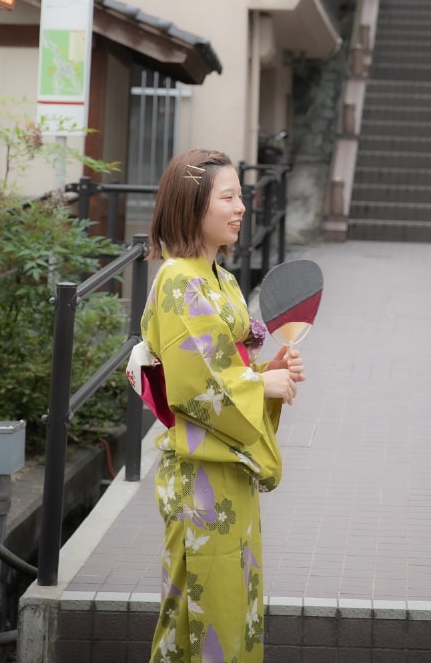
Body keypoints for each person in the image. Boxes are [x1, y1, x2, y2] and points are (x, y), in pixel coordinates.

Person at [141, 148, 304, 663]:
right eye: (228, 197)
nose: (241, 209)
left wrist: (265, 372)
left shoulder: (222, 278)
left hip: (228, 469)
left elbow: (224, 370)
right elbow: (194, 385)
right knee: (199, 611)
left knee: (236, 604)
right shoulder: (178, 278)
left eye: (241, 197)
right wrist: (264, 387)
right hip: (199, 476)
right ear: (193, 206)